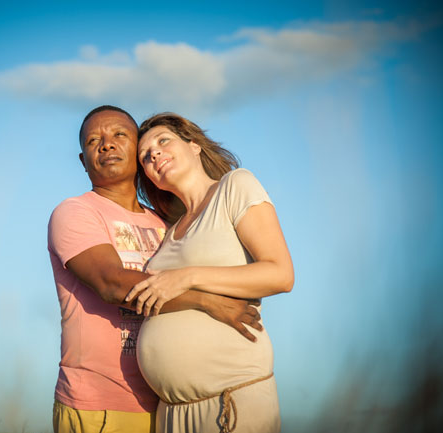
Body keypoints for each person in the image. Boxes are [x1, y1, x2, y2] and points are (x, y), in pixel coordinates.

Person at [47, 106, 264, 433]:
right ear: (83, 160)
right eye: (94, 140)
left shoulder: (167, 223)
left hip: (168, 407)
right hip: (100, 404)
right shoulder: (75, 212)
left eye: (119, 135)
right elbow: (112, 284)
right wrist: (206, 300)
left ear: (139, 151)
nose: (106, 145)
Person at [125, 113, 294, 433]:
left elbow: (280, 274)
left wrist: (188, 276)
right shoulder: (169, 233)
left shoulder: (235, 185)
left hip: (230, 401)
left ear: (194, 147)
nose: (154, 154)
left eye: (163, 142)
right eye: (145, 156)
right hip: (171, 413)